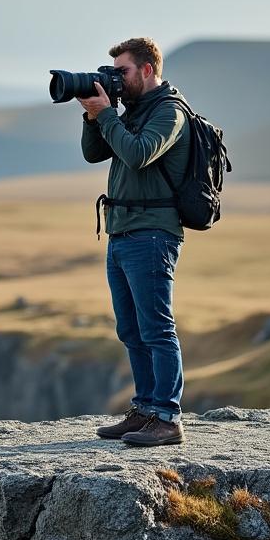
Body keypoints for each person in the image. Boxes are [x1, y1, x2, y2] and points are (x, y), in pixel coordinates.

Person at [77, 37, 189, 447]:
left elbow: (139, 153)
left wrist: (108, 115)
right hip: (122, 231)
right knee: (131, 329)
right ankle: (144, 410)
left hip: (152, 234)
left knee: (157, 328)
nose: (116, 80)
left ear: (146, 69)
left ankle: (167, 417)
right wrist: (94, 117)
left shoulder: (169, 112)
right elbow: (94, 154)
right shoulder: (131, 112)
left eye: (121, 72)